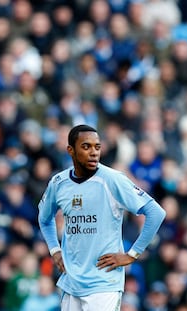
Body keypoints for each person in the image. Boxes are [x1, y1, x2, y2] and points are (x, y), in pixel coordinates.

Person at [38, 124, 166, 310]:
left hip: (103, 283)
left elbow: (156, 212)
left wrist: (132, 254)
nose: (93, 152)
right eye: (86, 146)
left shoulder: (112, 179)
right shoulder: (59, 182)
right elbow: (44, 218)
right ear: (70, 150)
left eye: (97, 147)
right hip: (71, 282)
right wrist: (54, 250)